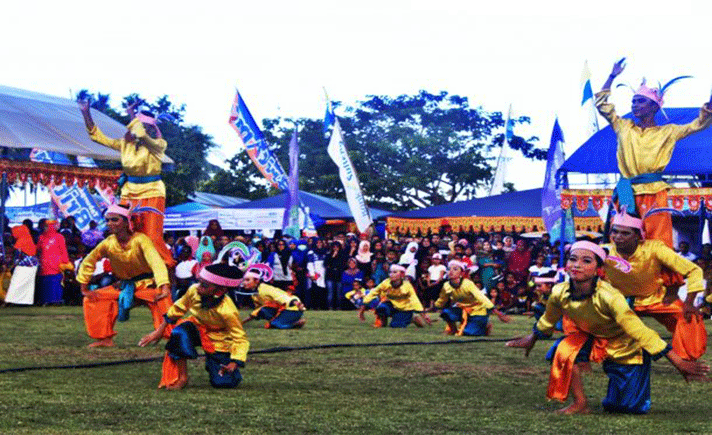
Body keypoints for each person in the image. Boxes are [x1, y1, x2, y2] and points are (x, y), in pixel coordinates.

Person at [507, 241, 710, 415]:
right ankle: (580, 403)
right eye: (572, 259)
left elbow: (639, 330)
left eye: (586, 261)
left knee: (626, 408)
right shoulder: (559, 291)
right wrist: (532, 338)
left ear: (598, 269)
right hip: (591, 338)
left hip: (624, 344)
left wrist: (678, 362)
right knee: (563, 348)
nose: (577, 265)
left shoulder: (610, 296)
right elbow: (548, 320)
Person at [598, 58, 712, 248]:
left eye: (640, 101)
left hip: (654, 191)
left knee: (656, 240)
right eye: (633, 101)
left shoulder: (668, 131)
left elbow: (698, 124)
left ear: (654, 107)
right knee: (622, 239)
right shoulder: (623, 126)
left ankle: (661, 278)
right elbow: (602, 105)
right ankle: (621, 275)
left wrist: (709, 108)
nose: (634, 105)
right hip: (627, 191)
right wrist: (611, 76)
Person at [78, 99, 175, 268]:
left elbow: (143, 136)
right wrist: (86, 113)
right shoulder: (125, 144)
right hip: (129, 191)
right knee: (123, 230)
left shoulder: (158, 145)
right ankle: (128, 267)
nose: (133, 130)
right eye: (133, 126)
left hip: (152, 192)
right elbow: (97, 136)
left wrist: (132, 115)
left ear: (150, 129)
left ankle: (163, 266)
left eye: (141, 127)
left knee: (151, 235)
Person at [603, 211, 707, 361]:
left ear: (638, 236)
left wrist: (689, 303)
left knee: (689, 317)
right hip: (618, 303)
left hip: (655, 299)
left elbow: (694, 269)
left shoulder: (654, 248)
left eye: (625, 233)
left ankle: (686, 359)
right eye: (615, 231)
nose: (618, 237)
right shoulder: (604, 251)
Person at [139, 263, 248, 390]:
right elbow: (176, 310)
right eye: (199, 282)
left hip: (219, 340)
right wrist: (158, 331)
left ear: (220, 291)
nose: (198, 287)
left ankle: (217, 364)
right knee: (179, 333)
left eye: (204, 285)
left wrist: (234, 362)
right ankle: (182, 378)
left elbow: (240, 338)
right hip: (196, 328)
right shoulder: (193, 291)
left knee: (223, 383)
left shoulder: (228, 311)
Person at [78, 205, 171, 347]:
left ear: (127, 222)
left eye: (114, 220)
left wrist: (164, 287)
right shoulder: (108, 243)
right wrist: (84, 287)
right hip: (123, 285)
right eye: (107, 220)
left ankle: (171, 337)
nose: (109, 223)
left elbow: (156, 262)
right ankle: (105, 339)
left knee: (163, 300)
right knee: (92, 299)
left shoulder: (141, 240)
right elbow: (89, 261)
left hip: (146, 284)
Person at [434, 260, 509, 336]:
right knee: (446, 313)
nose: (451, 271)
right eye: (449, 269)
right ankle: (452, 329)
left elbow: (481, 298)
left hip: (477, 310)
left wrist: (497, 312)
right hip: (462, 309)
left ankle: (486, 324)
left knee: (469, 333)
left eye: (455, 269)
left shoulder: (468, 284)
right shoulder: (446, 285)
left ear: (462, 273)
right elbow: (442, 300)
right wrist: (434, 308)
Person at [360, 264, 429, 328]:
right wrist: (362, 310)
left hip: (404, 309)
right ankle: (383, 323)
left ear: (401, 274)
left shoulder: (407, 286)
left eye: (395, 272)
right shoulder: (386, 282)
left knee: (395, 325)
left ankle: (412, 318)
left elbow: (415, 300)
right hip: (392, 305)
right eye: (390, 272)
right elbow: (372, 293)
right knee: (381, 308)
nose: (391, 274)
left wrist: (423, 314)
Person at [241, 268, 306, 329]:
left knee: (274, 325)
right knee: (264, 311)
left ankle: (294, 323)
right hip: (283, 308)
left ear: (257, 281)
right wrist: (242, 322)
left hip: (292, 308)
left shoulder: (264, 289)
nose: (244, 283)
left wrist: (295, 302)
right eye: (244, 280)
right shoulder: (255, 294)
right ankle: (284, 321)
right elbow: (257, 312)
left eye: (247, 280)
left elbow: (282, 297)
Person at [37, 219, 73, 305]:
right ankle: (47, 300)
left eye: (46, 226)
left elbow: (63, 250)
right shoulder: (42, 237)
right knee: (46, 281)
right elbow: (38, 249)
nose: (44, 228)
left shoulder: (58, 237)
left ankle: (54, 300)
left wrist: (65, 261)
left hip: (54, 263)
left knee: (54, 281)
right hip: (46, 263)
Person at [4, 225, 39, 306]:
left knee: (16, 282)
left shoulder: (21, 240)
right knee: (27, 284)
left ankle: (13, 301)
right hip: (32, 264)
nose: (13, 235)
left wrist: (10, 267)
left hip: (25, 265)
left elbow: (17, 256)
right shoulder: (28, 238)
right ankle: (24, 302)